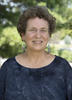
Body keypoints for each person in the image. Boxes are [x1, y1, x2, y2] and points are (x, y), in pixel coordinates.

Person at [0, 6, 72, 100]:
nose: (38, 35)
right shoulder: (8, 68)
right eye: (32, 30)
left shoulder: (63, 68)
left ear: (49, 35)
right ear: (23, 35)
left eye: (43, 30)